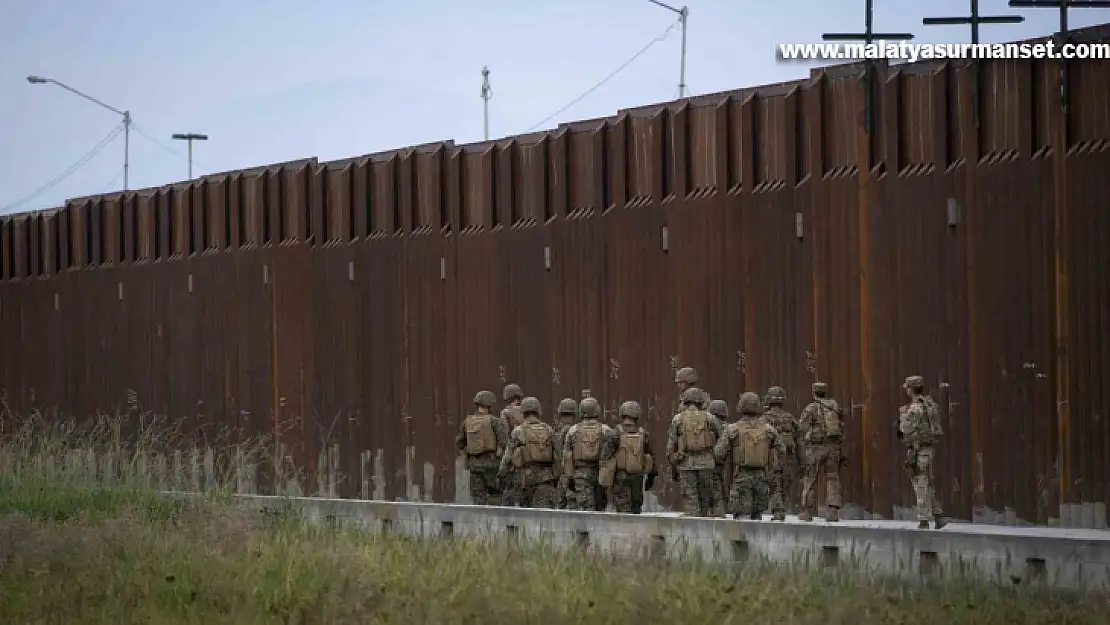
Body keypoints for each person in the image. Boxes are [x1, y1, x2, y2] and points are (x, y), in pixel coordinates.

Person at [898, 375, 946, 529]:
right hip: (927, 448)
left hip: (919, 448)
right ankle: (938, 516)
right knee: (927, 482)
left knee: (920, 482)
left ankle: (924, 520)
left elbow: (905, 429)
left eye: (907, 388)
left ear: (910, 389)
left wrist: (903, 414)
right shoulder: (929, 404)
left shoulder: (914, 408)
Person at [666, 387, 723, 516]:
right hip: (707, 464)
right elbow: (722, 440)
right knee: (706, 500)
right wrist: (716, 459)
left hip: (686, 464)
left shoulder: (678, 419)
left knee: (690, 500)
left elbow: (670, 446)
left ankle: (692, 532)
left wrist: (674, 461)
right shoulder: (710, 418)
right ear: (701, 402)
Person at [498, 397, 558, 508]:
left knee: (524, 518)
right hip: (545, 481)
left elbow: (507, 457)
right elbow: (557, 458)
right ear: (538, 411)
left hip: (523, 481)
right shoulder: (549, 430)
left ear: (523, 412)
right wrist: (556, 479)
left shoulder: (518, 431)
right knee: (543, 517)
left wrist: (501, 475)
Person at [798, 382, 844, 522]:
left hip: (816, 448)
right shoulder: (835, 408)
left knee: (811, 479)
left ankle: (808, 511)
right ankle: (833, 511)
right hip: (833, 447)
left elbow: (802, 426)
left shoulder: (812, 407)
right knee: (833, 478)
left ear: (813, 392)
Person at [455, 390, 509, 505]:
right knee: (496, 495)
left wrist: (468, 455)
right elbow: (505, 442)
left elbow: (459, 443)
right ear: (489, 406)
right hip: (492, 465)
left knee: (478, 499)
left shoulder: (467, 422)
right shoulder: (494, 421)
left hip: (474, 466)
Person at [611, 400, 657, 514]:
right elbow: (650, 456)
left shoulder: (615, 433)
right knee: (636, 507)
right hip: (638, 477)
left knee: (623, 509)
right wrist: (651, 477)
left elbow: (606, 457)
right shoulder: (643, 433)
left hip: (620, 477)